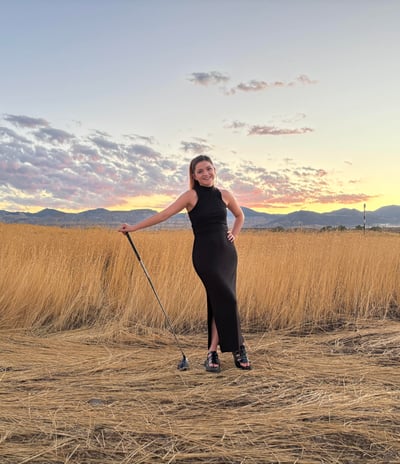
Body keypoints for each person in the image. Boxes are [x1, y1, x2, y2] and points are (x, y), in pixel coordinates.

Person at [118, 155, 251, 372]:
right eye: (200, 171)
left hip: (227, 254)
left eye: (209, 169)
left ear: (215, 170)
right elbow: (164, 215)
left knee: (221, 299)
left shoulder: (224, 195)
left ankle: (212, 353)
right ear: (194, 176)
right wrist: (134, 227)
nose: (206, 174)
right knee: (227, 298)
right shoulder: (191, 196)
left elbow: (240, 215)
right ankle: (238, 346)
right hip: (205, 256)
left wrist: (234, 235)